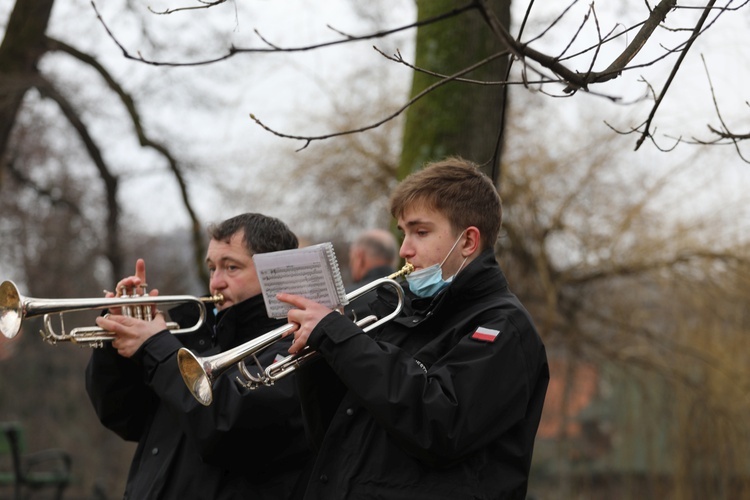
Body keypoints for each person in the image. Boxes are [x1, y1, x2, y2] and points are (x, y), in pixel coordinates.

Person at [278, 157, 549, 499]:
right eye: (403, 233)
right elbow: (336, 432)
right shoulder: (398, 313)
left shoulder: (502, 327)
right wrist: (319, 355)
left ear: (468, 242)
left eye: (421, 232)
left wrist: (341, 339)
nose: (405, 249)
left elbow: (441, 425)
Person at [85, 213, 311, 500]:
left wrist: (155, 346)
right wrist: (117, 340)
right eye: (212, 268)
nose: (216, 282)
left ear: (274, 273)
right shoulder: (195, 338)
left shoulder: (295, 346)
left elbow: (226, 429)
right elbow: (125, 417)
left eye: (231, 267)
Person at [345, 228, 399, 321]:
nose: (350, 264)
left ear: (360, 257)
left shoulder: (346, 300)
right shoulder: (411, 294)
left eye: (351, 259)